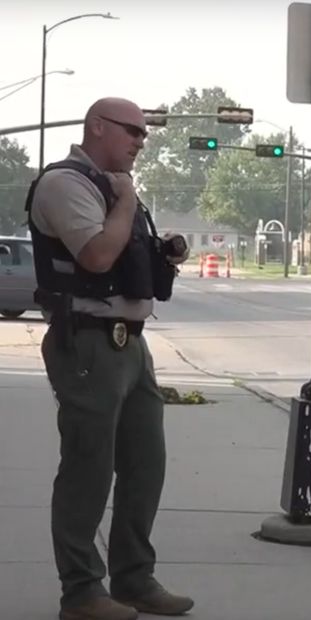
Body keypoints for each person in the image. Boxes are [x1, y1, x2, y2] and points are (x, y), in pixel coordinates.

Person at [26, 97, 193, 620]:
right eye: (133, 132)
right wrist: (124, 204)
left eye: (143, 134)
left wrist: (158, 250)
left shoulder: (118, 188)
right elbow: (96, 254)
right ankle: (81, 591)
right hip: (88, 340)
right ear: (97, 127)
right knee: (88, 466)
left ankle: (133, 579)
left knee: (146, 463)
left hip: (129, 342)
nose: (141, 142)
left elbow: (122, 255)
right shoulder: (65, 183)